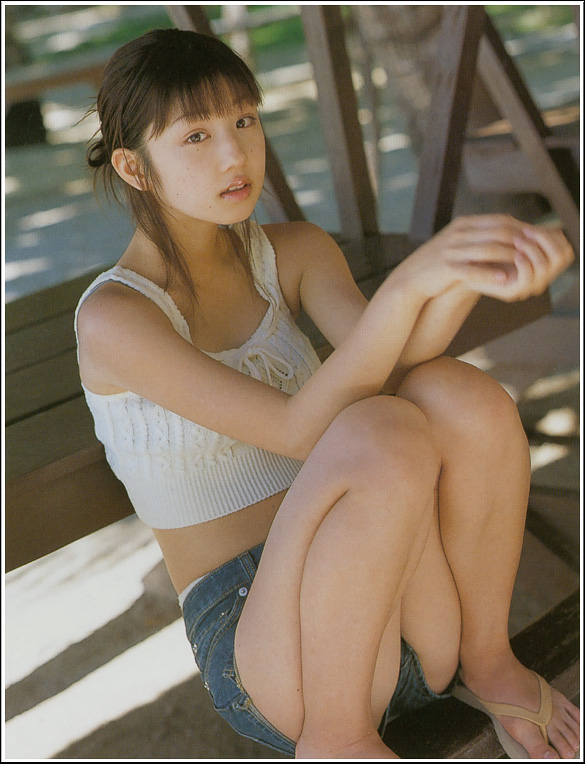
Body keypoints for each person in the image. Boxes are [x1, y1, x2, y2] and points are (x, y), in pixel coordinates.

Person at [75, 28, 579, 760]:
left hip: (400, 614)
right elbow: (298, 429)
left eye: (244, 120)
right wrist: (407, 284)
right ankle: (337, 742)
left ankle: (487, 660)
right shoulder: (116, 318)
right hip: (275, 662)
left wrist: (459, 272)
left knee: (451, 392)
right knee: (377, 431)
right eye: (196, 136)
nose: (234, 153)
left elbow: (400, 359)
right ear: (134, 167)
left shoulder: (294, 251)